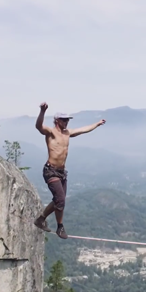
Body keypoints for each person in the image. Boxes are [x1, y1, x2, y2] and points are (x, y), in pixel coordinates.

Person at [33, 102, 106, 239]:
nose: (66, 122)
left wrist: (97, 124)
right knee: (60, 200)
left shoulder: (67, 133)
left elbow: (83, 129)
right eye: (64, 120)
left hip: (61, 172)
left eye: (68, 120)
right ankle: (60, 227)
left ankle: (41, 219)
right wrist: (42, 111)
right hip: (50, 170)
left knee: (58, 201)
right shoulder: (51, 132)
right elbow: (38, 126)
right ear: (57, 120)